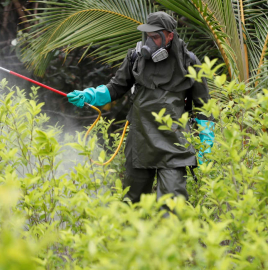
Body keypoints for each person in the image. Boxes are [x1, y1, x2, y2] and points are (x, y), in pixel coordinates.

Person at [67, 11, 214, 204]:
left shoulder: (189, 62)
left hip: (175, 145)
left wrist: (206, 148)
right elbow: (115, 88)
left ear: (169, 35)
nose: (150, 42)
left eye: (155, 37)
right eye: (148, 36)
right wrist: (90, 96)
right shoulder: (135, 57)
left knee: (173, 205)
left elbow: (204, 107)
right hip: (140, 142)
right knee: (131, 204)